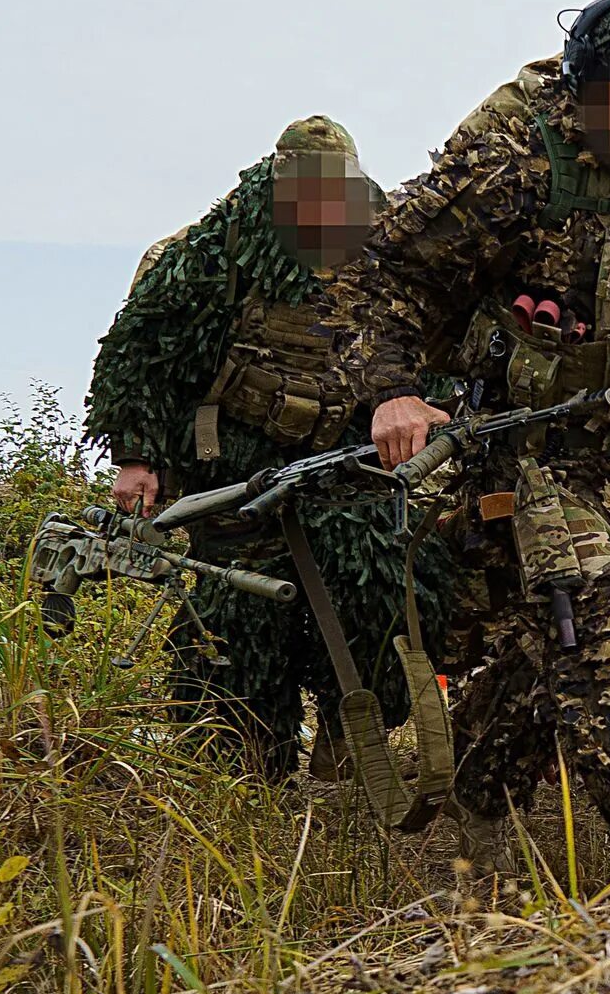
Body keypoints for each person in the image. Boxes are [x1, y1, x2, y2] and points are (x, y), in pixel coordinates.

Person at [335, 0, 610, 876]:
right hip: (538, 458)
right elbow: (384, 270)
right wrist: (393, 393)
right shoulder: (512, 170)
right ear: (583, 97)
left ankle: (478, 791)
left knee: (566, 652)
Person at [84, 117, 446, 779]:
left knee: (384, 588)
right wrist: (136, 458)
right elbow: (140, 356)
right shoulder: (206, 254)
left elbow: (427, 339)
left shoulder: (385, 251)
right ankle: (245, 770)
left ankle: (350, 733)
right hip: (232, 461)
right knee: (239, 617)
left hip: (345, 459)